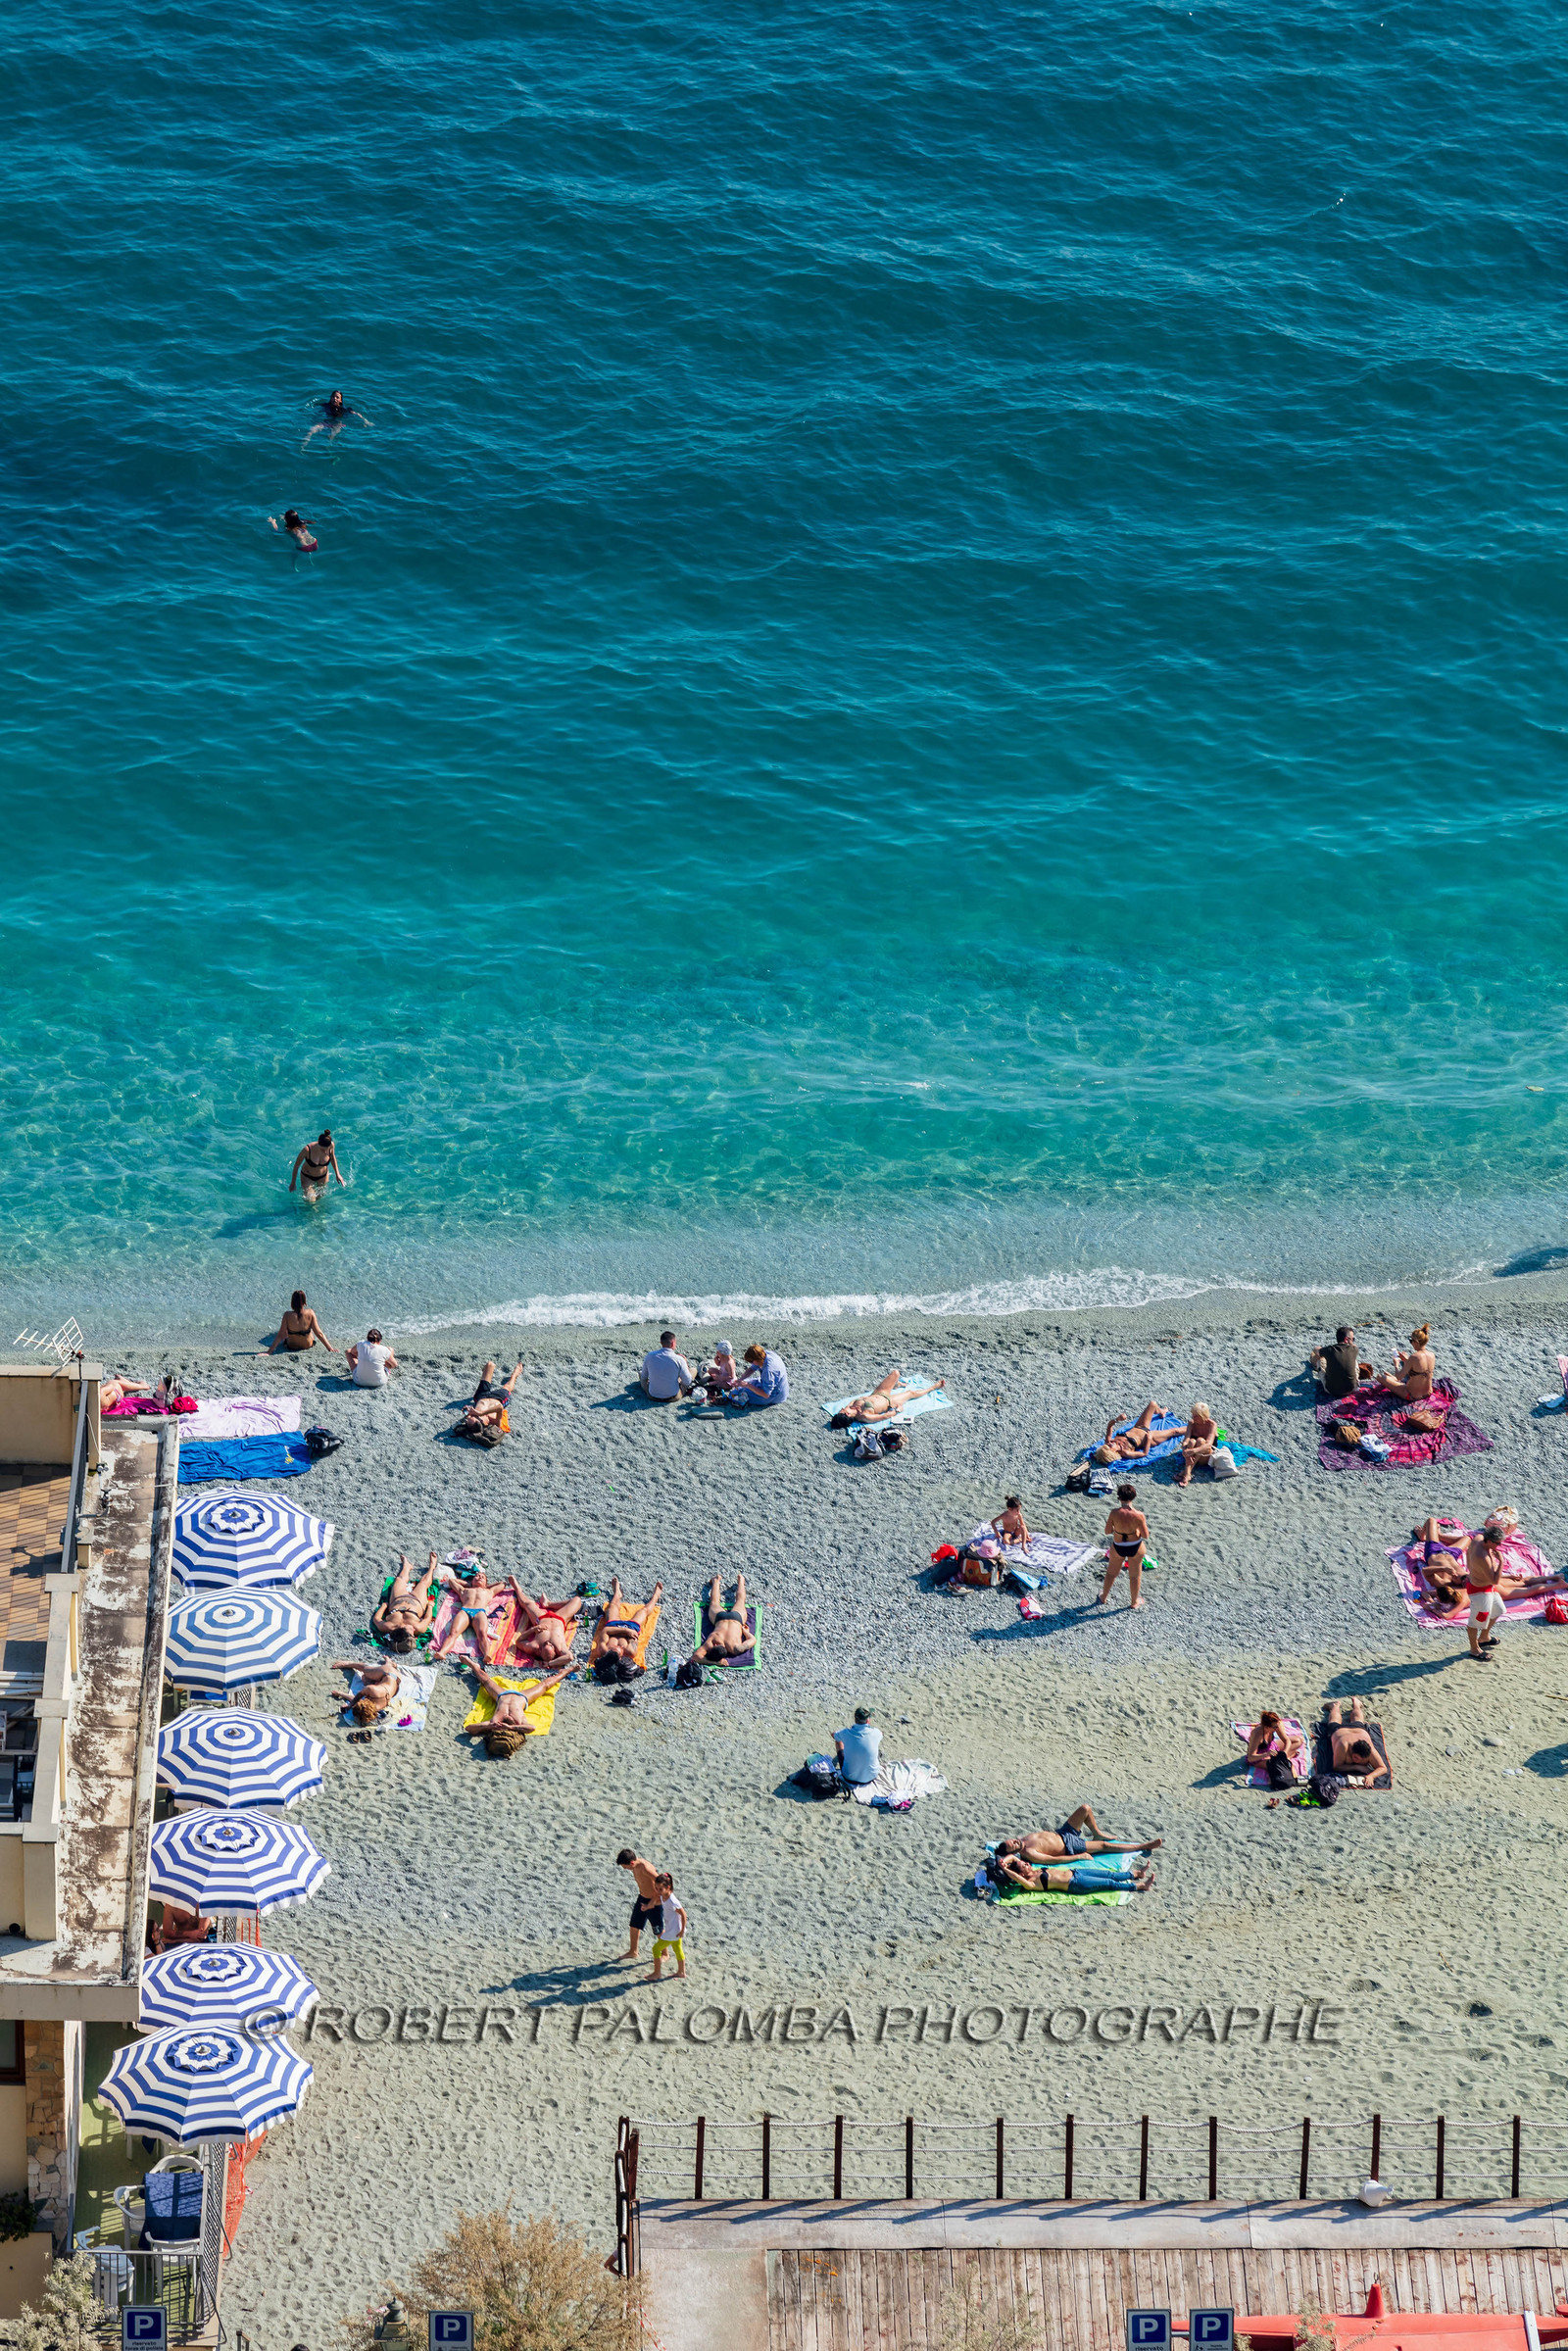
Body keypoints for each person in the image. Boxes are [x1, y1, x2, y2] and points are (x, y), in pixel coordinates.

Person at [464, 1657, 573, 1758]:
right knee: (544, 1685)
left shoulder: (495, 1723)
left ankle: (474, 1666)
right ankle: (565, 1672)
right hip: (522, 1698)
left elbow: (469, 1728)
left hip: (501, 1696)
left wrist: (490, 1726)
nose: (503, 1730)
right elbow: (532, 1728)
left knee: (486, 1681)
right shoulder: (518, 1722)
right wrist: (512, 1727)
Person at [995, 1806, 1160, 1863]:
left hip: (1063, 1832)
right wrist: (1078, 1857)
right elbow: (1054, 1860)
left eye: (1013, 1840)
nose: (1016, 1841)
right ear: (1014, 1853)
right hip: (1070, 1846)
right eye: (1014, 1845)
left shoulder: (1024, 1839)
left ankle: (1097, 1833)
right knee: (1103, 1847)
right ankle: (1141, 1846)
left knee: (1085, 1809)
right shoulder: (1029, 1853)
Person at [431, 1562, 506, 1666]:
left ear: (486, 1582)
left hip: (480, 1612)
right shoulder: (464, 1590)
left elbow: (502, 1584)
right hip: (465, 1611)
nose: (479, 1577)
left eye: (482, 1577)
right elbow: (452, 1581)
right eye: (476, 1576)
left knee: (482, 1634)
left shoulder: (489, 1591)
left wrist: (485, 1586)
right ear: (472, 1580)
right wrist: (469, 1584)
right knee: (453, 1633)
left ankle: (487, 1655)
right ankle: (442, 1652)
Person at [371, 1551, 441, 1653]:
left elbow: (376, 1619)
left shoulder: (388, 1627)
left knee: (399, 1580)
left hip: (397, 1599)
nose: (413, 1632)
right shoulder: (418, 1628)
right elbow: (427, 1618)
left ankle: (407, 1566)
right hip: (417, 1601)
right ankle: (432, 1567)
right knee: (423, 1583)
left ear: (402, 1632)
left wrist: (383, 1606)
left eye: (411, 1633)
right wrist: (430, 1607)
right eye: (414, 1634)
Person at [995, 1852, 1155, 1894]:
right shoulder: (1030, 1884)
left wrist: (1004, 1861)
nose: (1027, 1864)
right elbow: (1014, 1875)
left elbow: (1013, 1858)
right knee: (1109, 1884)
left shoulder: (1034, 1870)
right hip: (1075, 1884)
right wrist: (1005, 1869)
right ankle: (1141, 1886)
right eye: (1024, 1865)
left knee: (1109, 1874)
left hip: (1076, 1872)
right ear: (1021, 1874)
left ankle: (1136, 1874)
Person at [827, 1367, 939, 1427]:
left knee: (895, 1373)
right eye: (842, 1411)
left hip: (878, 1392)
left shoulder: (851, 1407)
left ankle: (896, 1385)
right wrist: (897, 1410)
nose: (842, 1408)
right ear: (846, 1414)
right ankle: (933, 1388)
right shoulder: (865, 1416)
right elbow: (885, 1416)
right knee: (910, 1393)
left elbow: (851, 1401)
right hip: (889, 1401)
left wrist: (850, 1406)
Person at [596, 1579, 663, 1675]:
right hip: (631, 1628)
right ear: (621, 1657)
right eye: (618, 1649)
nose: (616, 1646)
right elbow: (634, 1634)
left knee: (612, 1606)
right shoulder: (630, 1651)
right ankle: (655, 1597)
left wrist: (624, 1631)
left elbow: (605, 1630)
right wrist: (626, 1631)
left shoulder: (603, 1650)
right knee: (643, 1611)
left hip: (613, 1625)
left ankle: (617, 1594)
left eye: (613, 1648)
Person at [1097, 1484, 1148, 1610]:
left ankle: (1103, 1597)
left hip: (1118, 1546)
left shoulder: (1114, 1513)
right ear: (1133, 1497)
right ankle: (1134, 1602)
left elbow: (1108, 1531)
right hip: (1135, 1546)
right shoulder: (1139, 1515)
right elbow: (1146, 1535)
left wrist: (1119, 1530)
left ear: (1119, 1497)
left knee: (1111, 1573)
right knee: (1135, 1575)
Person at [509, 1582, 584, 1665]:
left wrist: (533, 1629)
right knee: (577, 1600)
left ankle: (517, 1588)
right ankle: (548, 1604)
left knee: (528, 1604)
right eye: (551, 1645)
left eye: (545, 1644)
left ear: (539, 1651)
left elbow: (519, 1642)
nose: (548, 1642)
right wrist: (550, 1664)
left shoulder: (534, 1646)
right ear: (555, 1652)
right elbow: (569, 1657)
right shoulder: (560, 1648)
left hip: (541, 1618)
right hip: (560, 1618)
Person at [615, 1849, 665, 1963]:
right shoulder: (635, 1866)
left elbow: (661, 1882)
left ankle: (665, 1954)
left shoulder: (644, 1868)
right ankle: (633, 1951)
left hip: (654, 1902)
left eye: (625, 1867)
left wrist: (653, 1901)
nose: (625, 1869)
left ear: (631, 1863)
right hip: (642, 1898)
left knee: (658, 1930)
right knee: (634, 1925)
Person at [691, 1573, 754, 1663]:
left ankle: (741, 1581)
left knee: (740, 1601)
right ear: (715, 1645)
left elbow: (752, 1640)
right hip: (720, 1618)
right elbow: (695, 1657)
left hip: (737, 1619)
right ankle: (717, 1580)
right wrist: (745, 1632)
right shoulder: (712, 1641)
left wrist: (746, 1632)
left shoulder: (735, 1648)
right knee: (714, 1602)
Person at [1320, 1696, 1389, 1777]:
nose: (1356, 1760)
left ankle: (1357, 1703)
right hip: (1339, 1731)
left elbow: (1383, 1768)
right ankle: (1335, 1706)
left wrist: (1371, 1776)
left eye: (1360, 1759)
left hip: (1359, 1729)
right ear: (1352, 1749)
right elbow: (1337, 1766)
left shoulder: (1370, 1751)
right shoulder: (1343, 1746)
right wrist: (1357, 1767)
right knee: (1333, 1721)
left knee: (1358, 1721)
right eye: (1355, 1757)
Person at [328, 1657, 401, 1726]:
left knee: (365, 1675)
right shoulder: (372, 1690)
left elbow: (357, 1699)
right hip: (389, 1673)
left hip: (394, 1676)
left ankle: (389, 1664)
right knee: (365, 1673)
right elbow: (357, 1697)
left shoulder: (376, 1707)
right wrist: (350, 1704)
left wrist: (342, 1694)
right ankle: (389, 1663)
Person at [1092, 1402, 1170, 1465]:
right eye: (1109, 1447)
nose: (1109, 1444)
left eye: (1106, 1445)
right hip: (1147, 1437)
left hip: (1139, 1427)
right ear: (1113, 1453)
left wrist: (1117, 1419)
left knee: (1152, 1404)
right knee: (1175, 1431)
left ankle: (1161, 1411)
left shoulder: (1109, 1442)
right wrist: (1149, 1439)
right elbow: (1144, 1453)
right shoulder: (1126, 1452)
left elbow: (1109, 1426)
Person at [459, 1360, 521, 1438]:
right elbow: (499, 1408)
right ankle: (515, 1374)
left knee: (490, 1364)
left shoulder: (471, 1418)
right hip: (498, 1398)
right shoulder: (494, 1422)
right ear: (482, 1422)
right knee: (508, 1387)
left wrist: (467, 1411)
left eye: (470, 1417)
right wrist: (481, 1413)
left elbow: (467, 1416)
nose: (471, 1416)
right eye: (474, 1417)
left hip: (481, 1397)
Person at [644, 1873, 687, 1983]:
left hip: (674, 1931)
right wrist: (648, 1906)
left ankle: (657, 1973)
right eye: (656, 1888)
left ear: (668, 1887)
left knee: (656, 1949)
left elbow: (683, 1914)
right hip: (673, 1929)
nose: (658, 1891)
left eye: (660, 1889)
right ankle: (681, 1972)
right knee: (677, 1949)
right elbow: (656, 1900)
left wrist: (682, 1930)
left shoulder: (673, 1901)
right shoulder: (664, 1896)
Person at [1309, 1326, 1374, 1397]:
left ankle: (1315, 1366)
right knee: (1353, 1360)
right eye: (1352, 1339)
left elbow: (1315, 1349)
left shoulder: (1330, 1350)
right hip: (1353, 1388)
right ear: (1346, 1339)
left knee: (1320, 1360)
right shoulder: (1354, 1349)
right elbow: (1354, 1346)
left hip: (1331, 1390)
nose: (1353, 1341)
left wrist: (1321, 1349)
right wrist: (1351, 1343)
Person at [267, 1291, 337, 1354]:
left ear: (292, 1302)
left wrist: (269, 1352)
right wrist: (330, 1348)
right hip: (307, 1345)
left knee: (285, 1333)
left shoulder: (287, 1315)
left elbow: (280, 1335)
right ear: (304, 1302)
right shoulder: (310, 1313)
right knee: (311, 1332)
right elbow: (319, 1334)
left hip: (292, 1346)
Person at [1245, 1711, 1307, 1781]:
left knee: (1299, 1740)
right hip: (1259, 1756)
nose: (1277, 1729)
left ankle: (1287, 1757)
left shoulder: (1277, 1724)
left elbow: (1287, 1741)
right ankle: (1289, 1757)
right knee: (1278, 1766)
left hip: (1271, 1746)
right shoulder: (1258, 1734)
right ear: (1266, 1727)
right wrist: (1267, 1754)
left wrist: (1284, 1753)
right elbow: (1250, 1758)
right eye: (1275, 1728)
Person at [1384, 1325, 1436, 1403]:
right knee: (1390, 1376)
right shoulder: (1432, 1355)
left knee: (1381, 1377)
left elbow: (1398, 1376)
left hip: (1412, 1395)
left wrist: (1396, 1364)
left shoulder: (1414, 1357)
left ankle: (1391, 1379)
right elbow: (1419, 1370)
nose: (1411, 1343)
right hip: (1428, 1392)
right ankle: (1392, 1379)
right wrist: (1406, 1361)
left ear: (1416, 1342)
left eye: (1411, 1341)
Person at [834, 1706, 882, 1788]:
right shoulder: (876, 1732)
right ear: (868, 1720)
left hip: (849, 1777)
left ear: (855, 1719)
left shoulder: (846, 1732)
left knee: (838, 1741)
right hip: (871, 1776)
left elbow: (834, 1735)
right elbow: (881, 1734)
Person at [303, 388, 372, 444]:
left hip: (337, 424)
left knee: (331, 436)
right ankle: (304, 443)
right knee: (311, 430)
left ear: (340, 400)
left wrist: (366, 421)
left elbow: (357, 414)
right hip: (326, 422)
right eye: (333, 396)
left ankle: (328, 447)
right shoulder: (325, 405)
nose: (335, 398)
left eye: (337, 397)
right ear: (330, 398)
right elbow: (313, 406)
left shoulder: (344, 409)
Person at [1174, 1401, 1219, 1488]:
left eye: (1196, 1416)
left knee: (1201, 1441)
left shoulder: (1212, 1425)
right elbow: (1186, 1439)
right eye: (1193, 1415)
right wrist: (1185, 1449)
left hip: (1206, 1455)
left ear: (1203, 1415)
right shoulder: (1192, 1423)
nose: (1193, 1418)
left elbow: (1208, 1445)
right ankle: (1188, 1473)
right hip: (1193, 1454)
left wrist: (1192, 1451)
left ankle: (1187, 1472)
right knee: (1191, 1442)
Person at [731, 1343, 790, 1408]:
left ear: (757, 1359)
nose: (751, 1363)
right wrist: (741, 1379)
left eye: (752, 1361)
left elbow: (766, 1394)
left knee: (738, 1394)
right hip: (774, 1386)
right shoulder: (766, 1354)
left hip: (775, 1395)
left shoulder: (769, 1371)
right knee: (743, 1385)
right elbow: (751, 1369)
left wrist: (747, 1385)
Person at [640, 1331, 694, 1400]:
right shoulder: (679, 1359)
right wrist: (685, 1363)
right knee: (693, 1370)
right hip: (673, 1396)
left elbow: (644, 1377)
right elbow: (687, 1381)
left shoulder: (650, 1356)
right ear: (673, 1343)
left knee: (641, 1374)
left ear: (661, 1343)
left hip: (652, 1395)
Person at [289, 1132, 344, 1198]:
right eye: (322, 1149)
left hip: (323, 1176)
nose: (324, 1151)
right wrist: (293, 1183)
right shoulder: (307, 1149)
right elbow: (296, 1165)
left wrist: (337, 1174)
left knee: (320, 1198)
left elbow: (332, 1158)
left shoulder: (331, 1145)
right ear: (318, 1143)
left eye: (325, 1149)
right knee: (311, 1201)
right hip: (307, 1176)